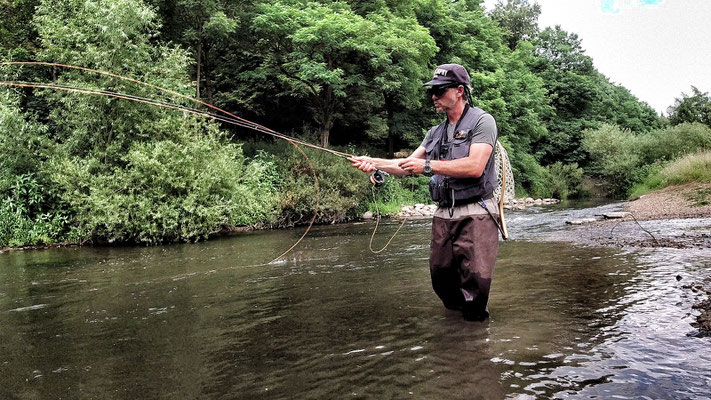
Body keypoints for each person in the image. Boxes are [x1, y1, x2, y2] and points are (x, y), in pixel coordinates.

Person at [349, 63, 500, 321]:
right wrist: (372, 162)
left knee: (475, 284)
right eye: (433, 91)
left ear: (459, 91)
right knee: (441, 277)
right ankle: (456, 334)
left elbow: (475, 167)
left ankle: (475, 341)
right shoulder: (435, 133)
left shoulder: (483, 122)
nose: (434, 97)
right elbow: (406, 165)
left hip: (476, 211)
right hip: (444, 214)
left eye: (440, 91)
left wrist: (427, 166)